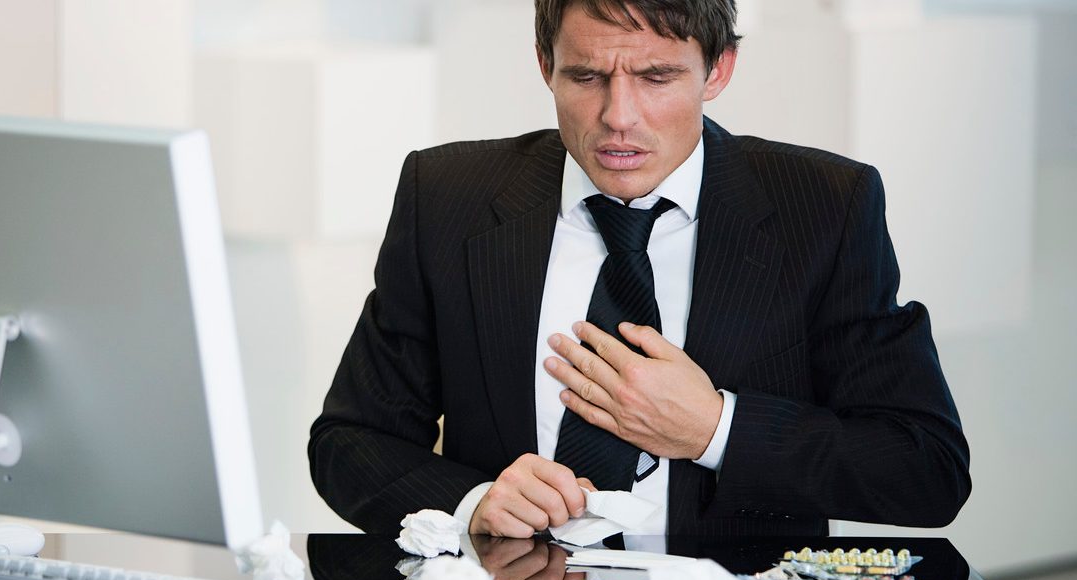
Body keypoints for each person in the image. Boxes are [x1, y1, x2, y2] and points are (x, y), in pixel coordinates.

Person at [308, 0, 971, 538]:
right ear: (545, 64)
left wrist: (715, 428)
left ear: (718, 70)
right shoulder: (446, 195)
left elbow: (925, 468)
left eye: (656, 78)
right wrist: (474, 500)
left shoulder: (827, 208)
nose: (617, 118)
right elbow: (348, 441)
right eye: (586, 76)